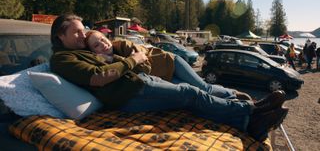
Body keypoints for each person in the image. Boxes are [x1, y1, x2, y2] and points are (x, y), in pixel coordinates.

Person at [49, 14, 288, 141]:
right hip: (128, 95)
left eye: (83, 30)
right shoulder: (62, 59)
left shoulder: (81, 50)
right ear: (61, 36)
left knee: (189, 93)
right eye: (76, 32)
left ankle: (251, 112)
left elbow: (113, 47)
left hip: (140, 83)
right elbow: (98, 78)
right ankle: (250, 114)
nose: (82, 35)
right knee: (190, 93)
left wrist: (130, 56)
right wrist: (134, 61)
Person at [85, 30, 251, 100]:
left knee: (203, 86)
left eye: (103, 39)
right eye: (96, 45)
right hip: (164, 77)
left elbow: (145, 68)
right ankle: (234, 103)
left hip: (171, 61)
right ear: (94, 52)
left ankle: (234, 94)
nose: (103, 44)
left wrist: (114, 58)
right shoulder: (104, 63)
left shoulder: (124, 45)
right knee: (194, 94)